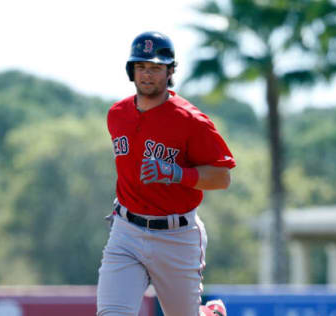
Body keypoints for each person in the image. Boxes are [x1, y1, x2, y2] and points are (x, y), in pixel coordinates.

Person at [96, 31, 236, 316]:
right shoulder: (117, 114)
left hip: (177, 236)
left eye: (157, 68)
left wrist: (177, 174)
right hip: (126, 231)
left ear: (171, 70)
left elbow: (222, 178)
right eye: (141, 67)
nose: (148, 74)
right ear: (131, 70)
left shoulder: (191, 120)